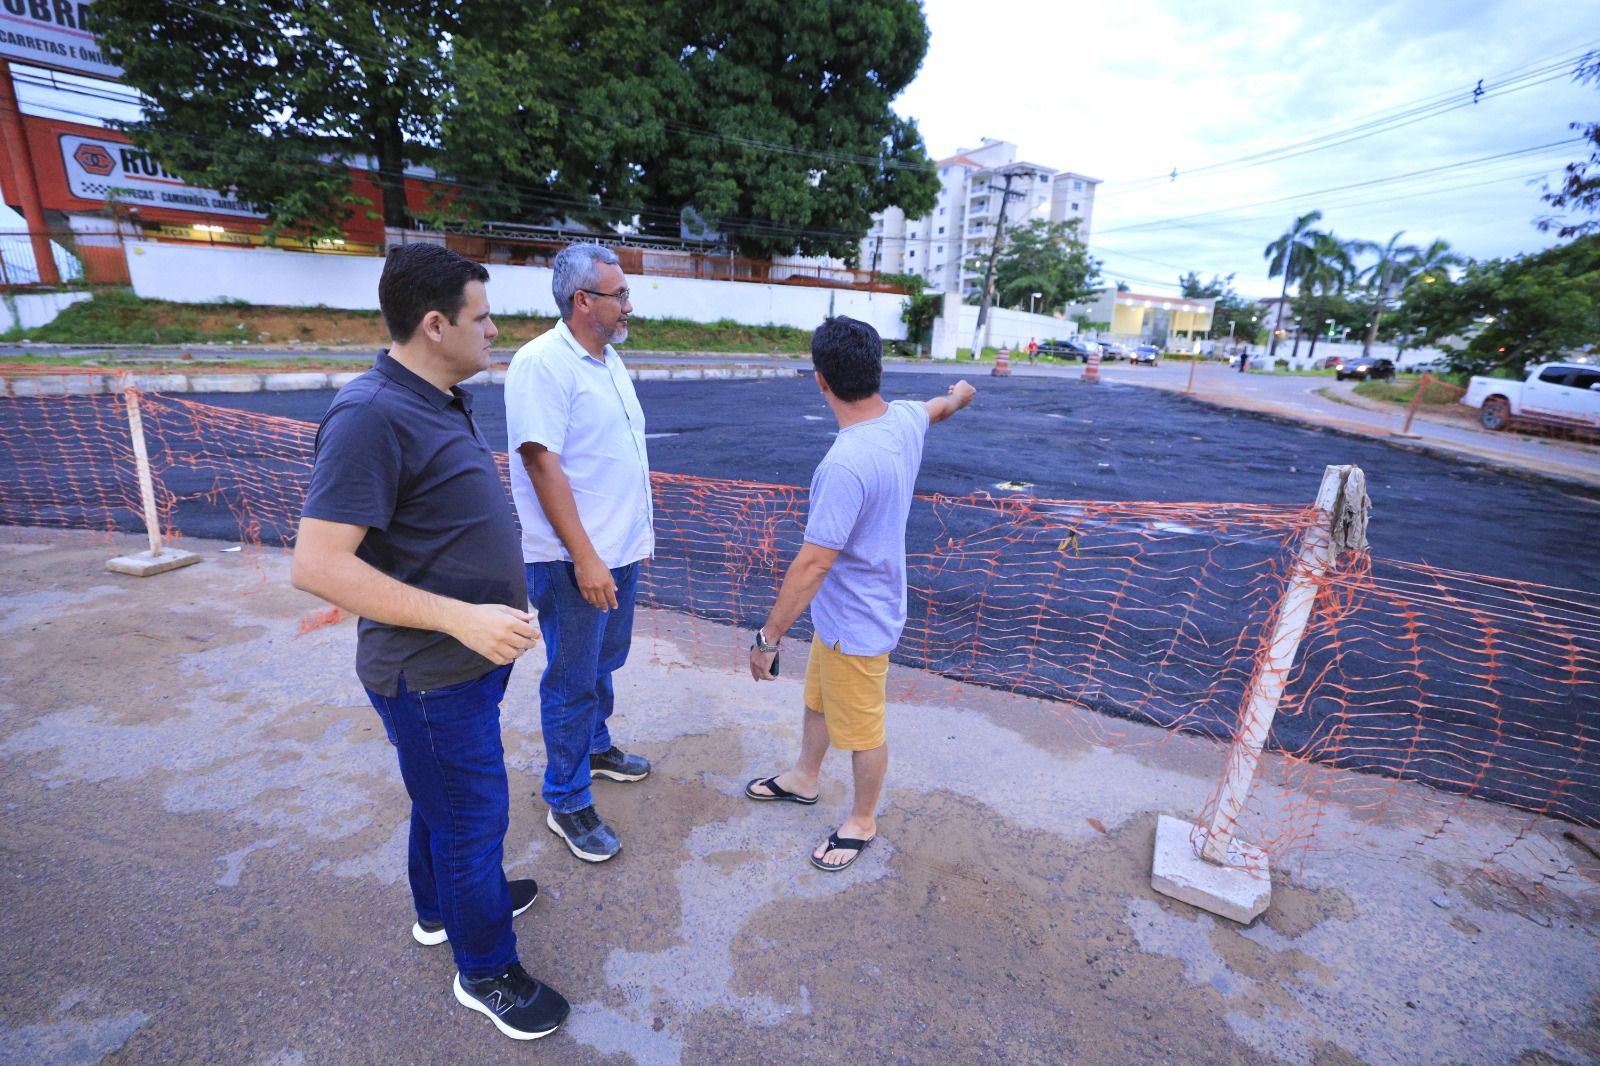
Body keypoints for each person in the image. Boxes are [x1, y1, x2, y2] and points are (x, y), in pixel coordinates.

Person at [292, 244, 569, 1041]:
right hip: (429, 674)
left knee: (443, 804)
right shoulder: (370, 414)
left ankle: (439, 908)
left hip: (464, 669)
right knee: (472, 820)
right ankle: (486, 970)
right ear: (436, 323)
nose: (497, 333)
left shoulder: (438, 393)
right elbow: (317, 565)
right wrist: (461, 617)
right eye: (482, 319)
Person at [745, 316, 976, 871]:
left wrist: (768, 637)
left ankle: (863, 820)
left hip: (860, 620)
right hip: (842, 615)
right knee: (819, 700)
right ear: (877, 370)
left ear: (820, 380)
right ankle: (804, 776)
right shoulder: (900, 421)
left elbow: (814, 562)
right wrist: (961, 393)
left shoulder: (845, 464)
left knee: (863, 730)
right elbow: (938, 408)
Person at [505, 243, 654, 865]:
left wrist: (619, 549)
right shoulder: (542, 363)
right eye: (618, 294)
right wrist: (586, 558)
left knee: (601, 662)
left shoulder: (609, 359)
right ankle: (566, 797)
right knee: (571, 678)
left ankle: (594, 745)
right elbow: (541, 462)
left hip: (618, 549)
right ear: (582, 301)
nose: (628, 304)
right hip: (574, 560)